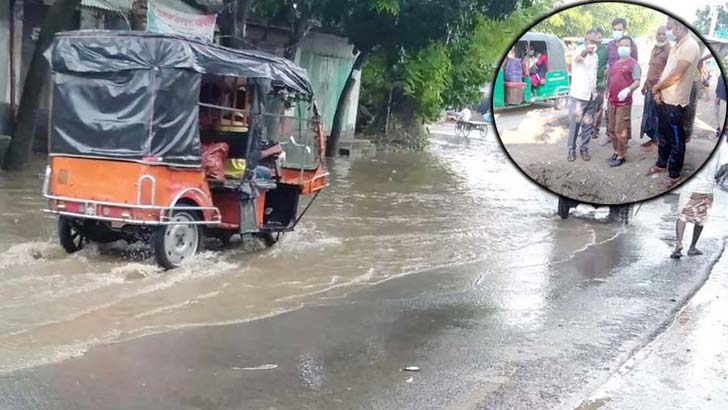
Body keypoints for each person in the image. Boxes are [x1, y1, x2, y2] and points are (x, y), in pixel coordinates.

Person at [648, 17, 700, 189]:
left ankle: (674, 174)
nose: (668, 32)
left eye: (670, 28)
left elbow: (677, 75)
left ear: (679, 27)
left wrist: (656, 88)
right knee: (663, 136)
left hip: (675, 102)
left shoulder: (690, 46)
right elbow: (667, 71)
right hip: (664, 98)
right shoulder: (677, 46)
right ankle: (661, 164)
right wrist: (659, 91)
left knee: (677, 141)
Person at [670, 130, 728, 259]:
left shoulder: (693, 139)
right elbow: (725, 166)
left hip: (689, 186)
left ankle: (678, 244)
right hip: (706, 187)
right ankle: (692, 247)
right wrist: (716, 178)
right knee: (700, 219)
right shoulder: (722, 142)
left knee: (682, 216)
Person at [606, 36, 641, 167]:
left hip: (623, 103)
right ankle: (616, 152)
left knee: (620, 131)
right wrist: (608, 92)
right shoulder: (616, 63)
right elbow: (612, 79)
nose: (623, 47)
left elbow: (637, 82)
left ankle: (621, 156)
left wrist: (627, 90)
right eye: (621, 45)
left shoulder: (634, 65)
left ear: (631, 48)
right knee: (611, 129)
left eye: (626, 45)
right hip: (612, 101)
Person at [566, 29, 599, 162]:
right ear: (585, 40)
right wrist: (586, 51)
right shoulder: (578, 51)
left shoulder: (595, 56)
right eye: (591, 41)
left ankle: (584, 149)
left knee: (588, 125)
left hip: (591, 96)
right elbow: (580, 57)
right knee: (575, 125)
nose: (594, 44)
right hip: (578, 96)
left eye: (596, 42)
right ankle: (571, 150)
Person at [639, 26, 671, 152]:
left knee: (658, 116)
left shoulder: (669, 50)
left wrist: (659, 88)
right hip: (650, 86)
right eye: (659, 34)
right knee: (649, 114)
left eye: (664, 34)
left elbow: (670, 70)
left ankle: (658, 141)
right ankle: (653, 138)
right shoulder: (655, 48)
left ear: (667, 35)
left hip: (660, 88)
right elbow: (651, 68)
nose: (661, 36)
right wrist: (645, 84)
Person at [592, 28, 608, 139]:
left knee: (598, 107)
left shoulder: (605, 49)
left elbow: (609, 63)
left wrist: (605, 70)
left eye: (599, 34)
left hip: (600, 83)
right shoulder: (588, 48)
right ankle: (586, 128)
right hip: (588, 83)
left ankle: (595, 130)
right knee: (587, 107)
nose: (597, 36)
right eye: (595, 34)